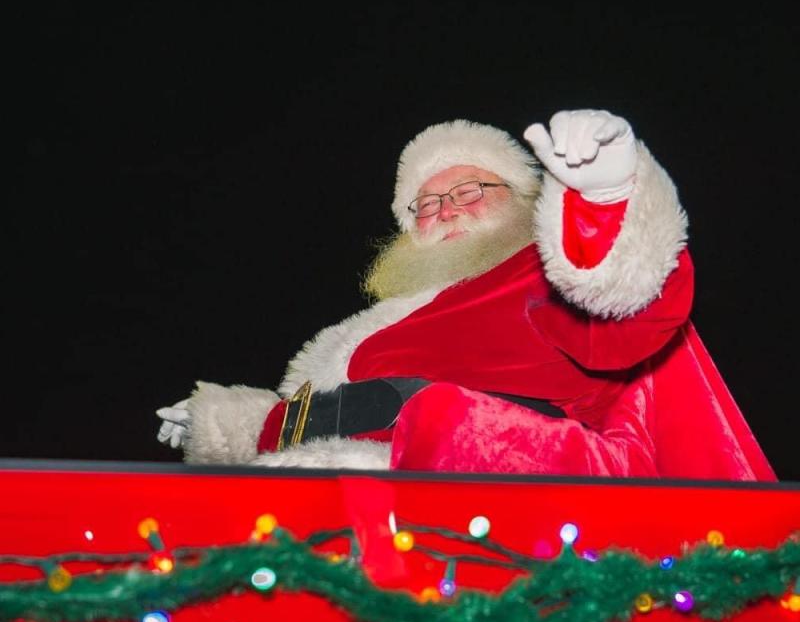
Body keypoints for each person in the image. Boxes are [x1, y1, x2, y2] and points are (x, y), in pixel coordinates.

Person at [156, 109, 777, 480]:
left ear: (523, 198)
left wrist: (605, 203)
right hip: (311, 498)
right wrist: (218, 421)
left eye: (470, 190)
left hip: (479, 505)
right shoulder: (374, 324)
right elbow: (316, 415)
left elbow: (623, 298)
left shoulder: (541, 273)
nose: (444, 210)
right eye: (424, 204)